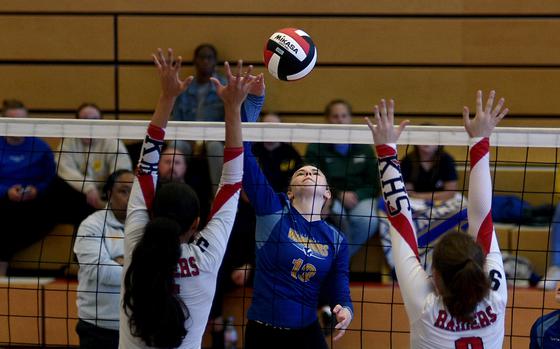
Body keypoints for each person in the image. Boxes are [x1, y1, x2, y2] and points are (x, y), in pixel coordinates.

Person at [119, 49, 256, 349]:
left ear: (152, 213)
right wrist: (233, 109)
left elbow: (146, 170)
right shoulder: (204, 258)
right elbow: (232, 183)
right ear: (196, 223)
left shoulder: (136, 249)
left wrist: (167, 97)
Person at [366, 90, 509, 348]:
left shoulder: (427, 307)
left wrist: (480, 140)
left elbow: (480, 218)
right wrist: (386, 151)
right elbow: (401, 220)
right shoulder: (494, 296)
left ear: (437, 277)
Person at [242, 90, 353, 348]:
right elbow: (243, 154)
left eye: (315, 172)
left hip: (306, 333)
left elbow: (340, 287)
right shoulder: (272, 208)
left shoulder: (336, 239)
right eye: (300, 172)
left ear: (327, 192)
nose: (307, 172)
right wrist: (253, 102)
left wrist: (346, 309)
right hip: (264, 332)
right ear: (289, 190)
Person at [306, 99, 381, 257]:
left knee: (369, 220)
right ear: (327, 119)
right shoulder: (316, 147)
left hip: (360, 197)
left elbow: (374, 184)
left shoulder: (365, 148)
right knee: (336, 216)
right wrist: (339, 194)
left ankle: (340, 259)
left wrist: (358, 195)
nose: (340, 120)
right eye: (335, 116)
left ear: (349, 118)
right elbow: (313, 180)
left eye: (344, 116)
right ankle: (335, 261)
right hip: (330, 196)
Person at [74, 169, 134, 349]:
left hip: (136, 327)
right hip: (98, 327)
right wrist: (140, 270)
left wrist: (121, 262)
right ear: (109, 194)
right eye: (124, 191)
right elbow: (99, 271)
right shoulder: (91, 225)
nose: (130, 197)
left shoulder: (147, 226)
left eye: (134, 192)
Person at [0, 99, 56, 275]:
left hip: (32, 202)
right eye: (13, 121)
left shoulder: (40, 148)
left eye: (22, 122)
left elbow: (50, 178)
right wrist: (5, 191)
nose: (18, 126)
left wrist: (36, 189)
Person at [172, 44, 228, 194]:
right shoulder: (184, 87)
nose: (205, 61)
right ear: (195, 61)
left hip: (215, 140)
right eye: (201, 57)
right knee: (174, 147)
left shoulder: (224, 87)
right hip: (188, 139)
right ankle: (172, 193)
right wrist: (191, 140)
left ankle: (218, 196)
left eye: (209, 58)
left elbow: (230, 121)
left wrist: (208, 140)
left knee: (214, 147)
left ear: (215, 61)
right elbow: (176, 121)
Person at [56, 103, 132, 211]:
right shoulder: (68, 142)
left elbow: (122, 169)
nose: (89, 123)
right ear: (77, 123)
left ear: (101, 122)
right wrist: (88, 187)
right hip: (80, 195)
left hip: (107, 194)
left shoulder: (112, 141)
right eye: (84, 119)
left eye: (94, 119)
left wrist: (111, 189)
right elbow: (64, 169)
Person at [252, 112, 303, 192]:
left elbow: (300, 175)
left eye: (275, 127)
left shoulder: (290, 152)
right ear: (261, 129)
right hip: (257, 194)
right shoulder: (253, 150)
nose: (271, 130)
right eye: (267, 127)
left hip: (285, 195)